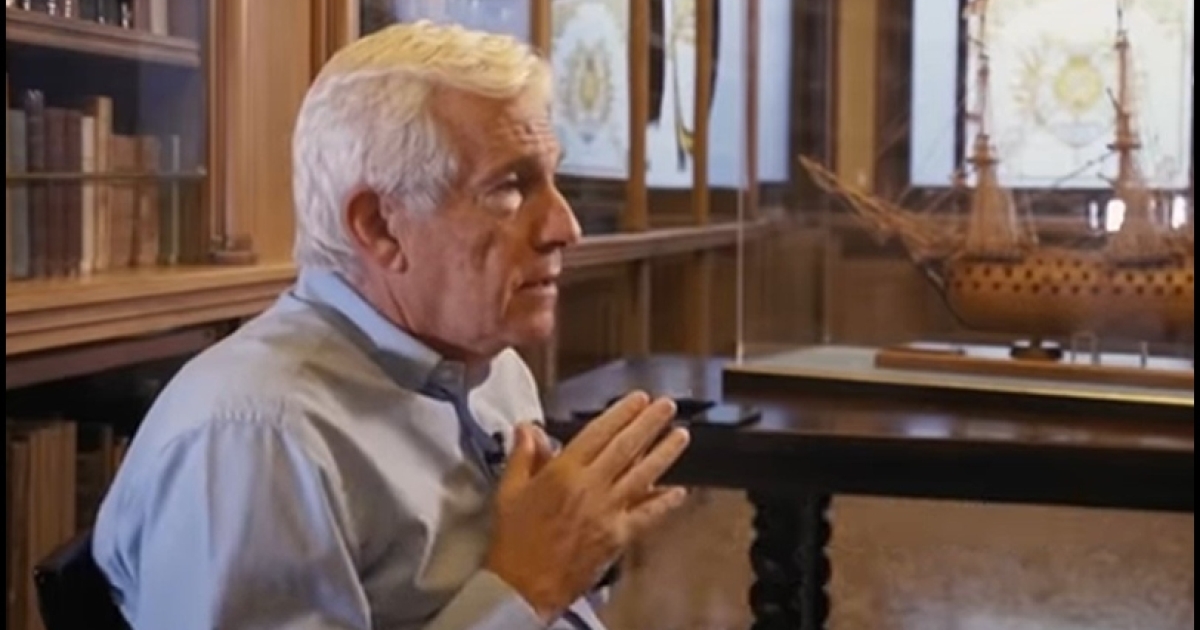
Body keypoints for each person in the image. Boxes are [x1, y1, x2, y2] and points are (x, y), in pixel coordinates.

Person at [91, 21, 691, 630]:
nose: (565, 227)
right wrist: (529, 584)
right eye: (510, 188)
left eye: (552, 179)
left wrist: (580, 542)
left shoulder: (490, 367)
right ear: (379, 227)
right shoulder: (257, 442)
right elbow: (532, 581)